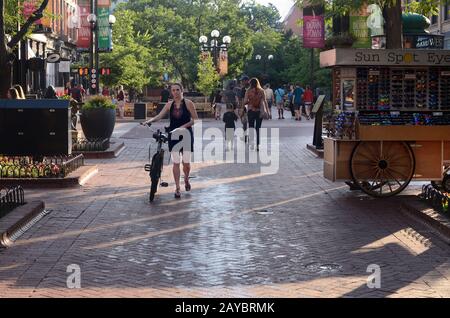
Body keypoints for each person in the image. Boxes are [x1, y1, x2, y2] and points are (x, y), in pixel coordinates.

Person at [143, 83, 199, 199]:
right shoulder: (169, 105)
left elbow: (195, 120)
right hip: (173, 135)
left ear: (182, 91)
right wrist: (149, 121)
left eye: (177, 90)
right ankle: (178, 188)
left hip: (186, 135)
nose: (175, 92)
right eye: (173, 90)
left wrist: (183, 127)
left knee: (186, 163)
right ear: (171, 92)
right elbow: (159, 116)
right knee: (176, 162)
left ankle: (187, 179)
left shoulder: (188, 103)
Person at [243, 78, 269, 151]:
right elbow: (265, 101)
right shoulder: (262, 91)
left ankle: (251, 144)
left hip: (251, 111)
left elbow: (245, 101)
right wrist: (268, 111)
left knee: (251, 127)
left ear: (250, 83)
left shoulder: (248, 91)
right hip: (259, 111)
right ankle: (257, 145)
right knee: (258, 128)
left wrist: (248, 102)